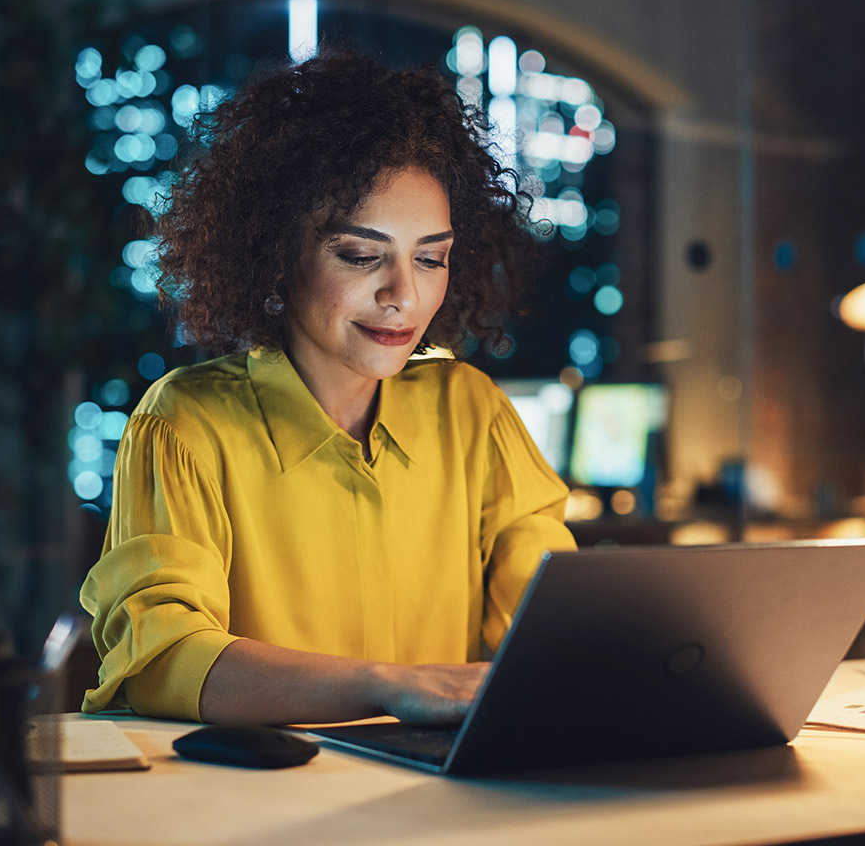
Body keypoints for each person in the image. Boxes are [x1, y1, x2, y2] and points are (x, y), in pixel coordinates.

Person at [78, 53, 576, 727]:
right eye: (361, 256)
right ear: (279, 256)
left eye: (430, 258)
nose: (404, 294)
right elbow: (162, 660)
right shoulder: (185, 425)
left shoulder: (472, 413)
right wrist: (390, 685)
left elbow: (553, 628)